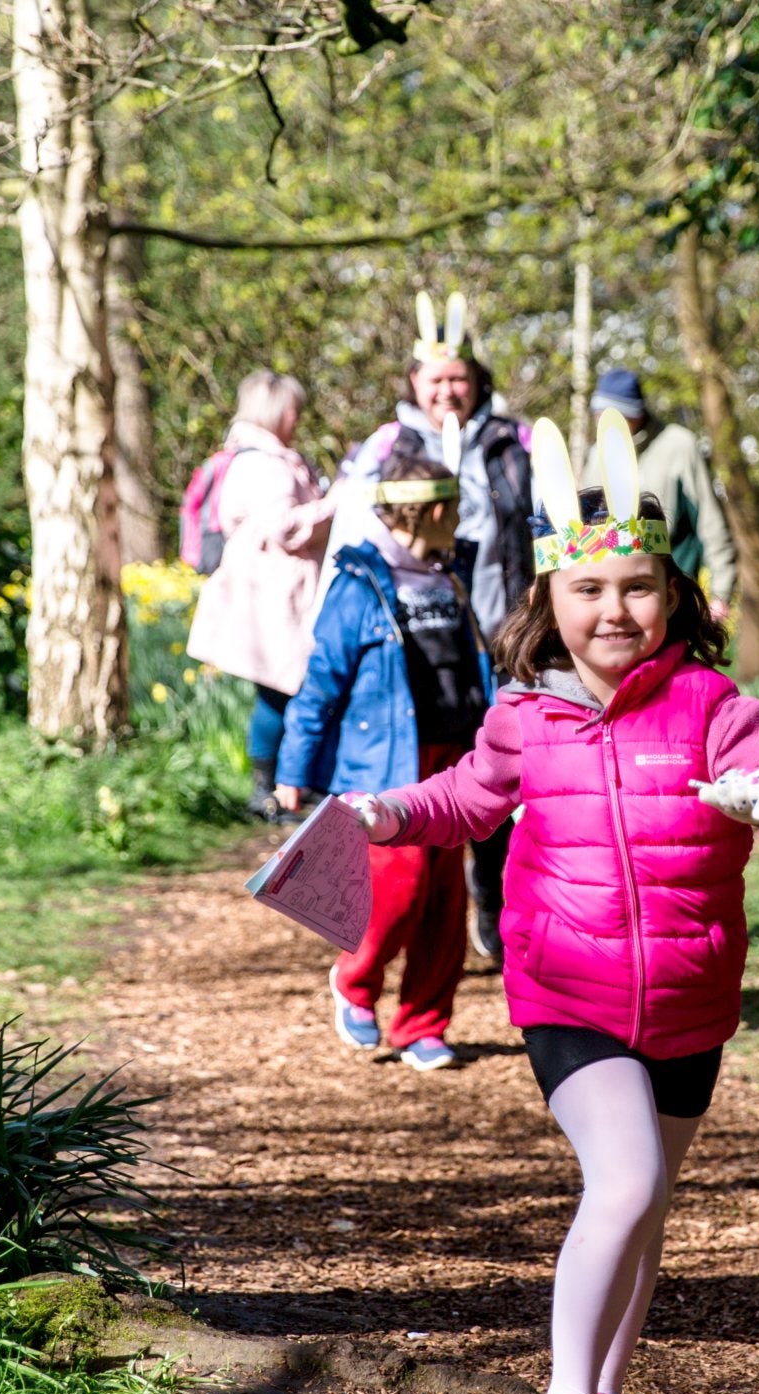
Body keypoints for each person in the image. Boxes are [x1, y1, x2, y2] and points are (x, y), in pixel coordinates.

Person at [336, 412, 759, 1394]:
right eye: (589, 593)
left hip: (693, 999)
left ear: (675, 597)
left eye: (638, 590)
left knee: (643, 1209)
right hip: (567, 992)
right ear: (548, 607)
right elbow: (465, 800)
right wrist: (383, 815)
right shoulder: (523, 719)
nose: (615, 612)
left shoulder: (723, 710)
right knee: (628, 1180)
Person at [329, 291, 536, 959]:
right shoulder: (388, 446)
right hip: (420, 636)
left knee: (505, 772)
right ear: (415, 383)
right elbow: (352, 530)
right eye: (436, 380)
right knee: (436, 780)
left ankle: (492, 904)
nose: (449, 391)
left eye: (460, 379)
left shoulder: (513, 441)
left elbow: (541, 524)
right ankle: (395, 931)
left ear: (478, 382)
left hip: (501, 628)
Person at [273, 443, 490, 1073]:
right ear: (426, 513)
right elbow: (320, 685)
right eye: (452, 507)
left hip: (457, 764)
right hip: (387, 767)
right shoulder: (360, 583)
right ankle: (356, 982)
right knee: (401, 888)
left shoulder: (452, 576)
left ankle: (424, 1024)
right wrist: (294, 769)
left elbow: (478, 670)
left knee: (448, 904)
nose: (460, 518)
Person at [184, 370, 337, 822]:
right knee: (279, 690)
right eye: (293, 408)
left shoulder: (261, 457)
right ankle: (268, 790)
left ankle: (283, 786)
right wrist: (339, 501)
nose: (298, 417)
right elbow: (283, 528)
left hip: (273, 594)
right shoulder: (263, 464)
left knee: (283, 690)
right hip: (271, 598)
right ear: (275, 410)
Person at [580, 368, 726, 601]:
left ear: (634, 414)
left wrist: (721, 593)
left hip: (674, 590)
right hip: (614, 595)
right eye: (599, 414)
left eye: (612, 414)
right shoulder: (598, 455)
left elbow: (710, 520)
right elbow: (585, 530)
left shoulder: (679, 445)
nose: (601, 421)